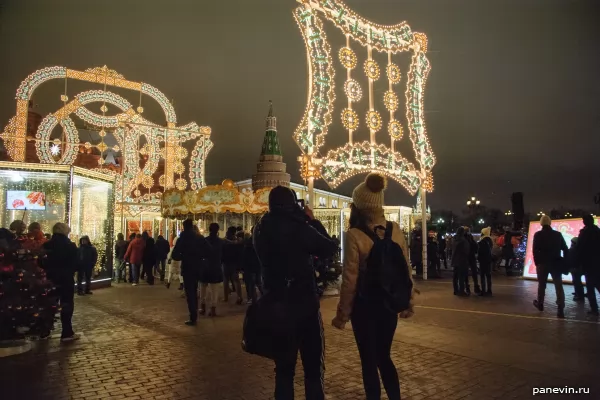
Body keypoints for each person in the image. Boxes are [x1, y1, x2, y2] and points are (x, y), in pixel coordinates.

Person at [332, 173, 413, 400]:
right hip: (389, 306)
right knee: (384, 356)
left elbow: (350, 279)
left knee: (368, 361)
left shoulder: (354, 235)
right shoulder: (395, 229)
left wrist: (342, 315)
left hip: (365, 307)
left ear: (358, 205)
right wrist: (408, 303)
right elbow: (405, 270)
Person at [254, 185, 337, 400]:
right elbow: (328, 247)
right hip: (304, 305)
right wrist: (311, 220)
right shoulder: (299, 228)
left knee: (283, 370)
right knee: (312, 368)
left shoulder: (260, 228)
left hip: (276, 305)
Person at [41, 223, 79, 342]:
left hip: (50, 278)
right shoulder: (70, 246)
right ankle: (66, 332)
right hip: (66, 278)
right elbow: (76, 263)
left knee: (50, 303)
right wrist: (70, 271)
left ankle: (44, 331)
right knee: (66, 303)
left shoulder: (47, 245)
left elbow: (41, 261)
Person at [171, 219, 212, 325]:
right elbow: (209, 251)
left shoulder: (182, 239)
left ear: (184, 227)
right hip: (198, 267)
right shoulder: (199, 238)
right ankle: (195, 313)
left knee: (190, 292)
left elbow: (175, 255)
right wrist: (200, 256)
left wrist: (183, 256)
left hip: (187, 267)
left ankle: (193, 315)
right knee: (194, 290)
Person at [532, 215, 568, 318]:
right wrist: (564, 262)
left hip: (542, 263)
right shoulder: (558, 234)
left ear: (541, 223)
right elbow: (565, 249)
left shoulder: (538, 235)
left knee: (542, 285)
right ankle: (560, 308)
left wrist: (537, 262)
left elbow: (535, 250)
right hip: (556, 263)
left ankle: (540, 304)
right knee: (558, 286)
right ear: (550, 223)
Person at [576, 215, 600, 316]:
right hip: (597, 262)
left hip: (588, 263)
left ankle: (594, 308)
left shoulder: (584, 232)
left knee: (590, 287)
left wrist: (578, 262)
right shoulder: (597, 231)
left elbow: (580, 248)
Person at [201, 223, 224, 316]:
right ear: (218, 230)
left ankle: (202, 307)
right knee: (214, 289)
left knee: (203, 287)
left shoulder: (205, 240)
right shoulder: (220, 242)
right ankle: (213, 308)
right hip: (216, 266)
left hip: (205, 266)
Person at [222, 226, 244, 304]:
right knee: (236, 280)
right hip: (234, 263)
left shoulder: (224, 241)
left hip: (226, 263)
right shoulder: (238, 241)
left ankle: (225, 297)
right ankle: (239, 296)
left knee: (226, 280)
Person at [242, 228, 263, 304]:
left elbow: (245, 254)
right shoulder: (261, 240)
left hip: (250, 265)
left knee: (251, 283)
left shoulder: (249, 241)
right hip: (258, 264)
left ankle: (254, 300)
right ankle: (262, 297)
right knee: (258, 282)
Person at [451, 227, 470, 296]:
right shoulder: (463, 241)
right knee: (461, 276)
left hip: (455, 260)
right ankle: (461, 291)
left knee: (455, 277)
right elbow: (466, 251)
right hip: (462, 260)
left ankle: (455, 290)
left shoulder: (454, 239)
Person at [478, 227, 494, 296]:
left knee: (482, 276)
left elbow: (480, 252)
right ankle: (489, 290)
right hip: (489, 260)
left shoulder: (482, 241)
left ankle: (483, 291)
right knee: (488, 276)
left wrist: (478, 258)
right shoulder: (490, 240)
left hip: (483, 261)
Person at [568, 237, 584, 302]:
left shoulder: (572, 250)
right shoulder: (580, 250)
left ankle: (579, 295)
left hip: (575, 268)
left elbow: (570, 259)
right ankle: (578, 293)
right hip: (578, 268)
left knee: (576, 282)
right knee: (577, 282)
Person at [465, 228, 480, 294]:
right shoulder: (471, 239)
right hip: (471, 256)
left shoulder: (463, 239)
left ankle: (467, 287)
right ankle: (476, 287)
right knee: (474, 272)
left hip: (466, 257)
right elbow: (476, 247)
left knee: (466, 273)